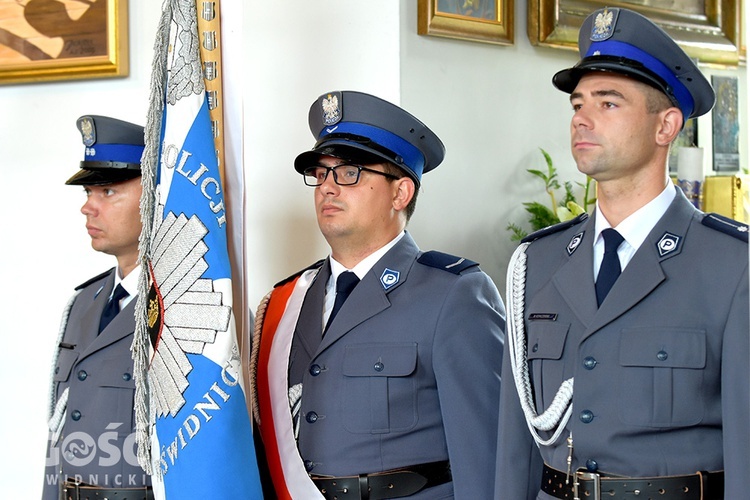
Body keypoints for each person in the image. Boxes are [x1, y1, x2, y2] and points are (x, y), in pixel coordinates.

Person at [496, 7, 748, 500]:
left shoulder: (731, 266)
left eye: (608, 103)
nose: (582, 119)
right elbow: (516, 444)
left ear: (666, 126)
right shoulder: (537, 263)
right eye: (577, 105)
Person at [252, 90, 505, 499]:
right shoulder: (286, 302)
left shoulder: (453, 294)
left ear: (400, 193)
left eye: (349, 172)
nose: (327, 188)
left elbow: (487, 457)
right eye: (321, 173)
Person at [43, 115, 153, 500]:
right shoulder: (83, 304)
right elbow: (59, 435)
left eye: (107, 192)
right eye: (88, 192)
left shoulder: (187, 308)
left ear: (155, 195)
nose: (88, 208)